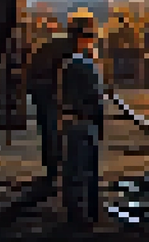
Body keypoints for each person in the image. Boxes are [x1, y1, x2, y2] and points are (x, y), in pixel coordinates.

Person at [28, 9, 86, 180]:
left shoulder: (58, 44)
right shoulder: (69, 48)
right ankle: (55, 170)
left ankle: (53, 170)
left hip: (44, 92)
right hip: (48, 93)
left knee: (50, 131)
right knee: (53, 131)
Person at [60, 26, 106, 226]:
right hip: (86, 122)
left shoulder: (69, 65)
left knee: (73, 170)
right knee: (87, 171)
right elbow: (96, 98)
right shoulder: (88, 66)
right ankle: (90, 213)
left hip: (73, 121)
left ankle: (75, 213)